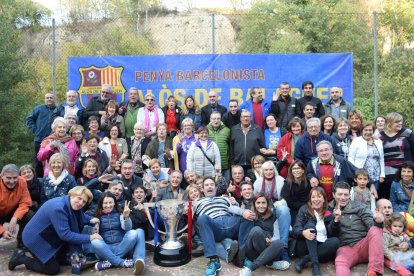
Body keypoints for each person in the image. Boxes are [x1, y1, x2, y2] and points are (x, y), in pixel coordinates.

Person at [11, 186, 99, 275]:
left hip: (46, 234)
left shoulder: (69, 204)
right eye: (79, 198)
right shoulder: (59, 208)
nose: (81, 203)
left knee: (63, 258)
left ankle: (57, 256)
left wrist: (91, 219)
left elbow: (80, 217)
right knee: (52, 269)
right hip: (34, 239)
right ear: (72, 195)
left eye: (84, 201)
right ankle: (20, 258)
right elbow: (65, 235)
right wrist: (91, 237)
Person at [194, 177, 254, 276]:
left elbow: (234, 209)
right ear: (202, 189)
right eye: (207, 185)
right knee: (202, 218)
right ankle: (214, 261)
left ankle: (242, 255)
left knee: (248, 215)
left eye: (212, 184)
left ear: (216, 187)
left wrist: (241, 209)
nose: (209, 187)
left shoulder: (224, 199)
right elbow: (190, 216)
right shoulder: (197, 202)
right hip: (214, 226)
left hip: (230, 222)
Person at [331, 181, 384, 276]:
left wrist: (378, 222)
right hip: (345, 247)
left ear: (349, 195)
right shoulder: (328, 209)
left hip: (363, 244)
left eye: (346, 194)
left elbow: (370, 223)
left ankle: (374, 272)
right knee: (340, 262)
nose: (343, 198)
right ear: (333, 195)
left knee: (375, 229)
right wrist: (336, 220)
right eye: (339, 194)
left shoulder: (359, 206)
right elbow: (330, 233)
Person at [91, 192, 145, 275]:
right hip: (105, 249)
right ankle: (120, 262)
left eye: (110, 202)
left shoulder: (120, 213)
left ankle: (110, 262)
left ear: (114, 203)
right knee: (95, 241)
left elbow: (127, 228)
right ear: (101, 204)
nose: (108, 205)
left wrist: (126, 217)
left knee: (133, 233)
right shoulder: (96, 216)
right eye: (105, 203)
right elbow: (92, 233)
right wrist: (94, 227)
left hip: (121, 246)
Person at [293, 187, 340, 276]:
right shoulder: (304, 210)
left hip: (322, 249)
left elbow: (331, 233)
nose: (316, 199)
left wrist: (336, 221)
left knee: (336, 241)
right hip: (305, 246)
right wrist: (303, 233)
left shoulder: (329, 212)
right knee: (310, 226)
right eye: (313, 197)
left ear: (324, 199)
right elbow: (296, 229)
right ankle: (315, 266)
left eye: (319, 196)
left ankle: (304, 260)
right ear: (310, 199)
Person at [252, 161, 291, 262]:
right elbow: (255, 199)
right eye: (266, 170)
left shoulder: (281, 180)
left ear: (274, 170)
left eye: (271, 169)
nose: (268, 172)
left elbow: (285, 198)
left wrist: (276, 205)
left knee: (284, 210)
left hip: (277, 205)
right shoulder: (257, 183)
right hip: (263, 207)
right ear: (262, 171)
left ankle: (284, 248)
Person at [239, 194, 286, 276]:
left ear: (267, 204)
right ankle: (270, 263)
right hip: (253, 250)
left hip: (268, 248)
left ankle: (252, 267)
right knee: (256, 230)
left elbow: (277, 235)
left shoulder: (273, 216)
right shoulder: (249, 214)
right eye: (258, 203)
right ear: (254, 204)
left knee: (280, 243)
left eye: (263, 203)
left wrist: (271, 240)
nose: (261, 206)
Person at [379, 112, 414, 199]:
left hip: (405, 175)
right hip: (386, 177)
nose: (400, 123)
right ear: (389, 123)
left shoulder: (407, 134)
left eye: (401, 121)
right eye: (397, 121)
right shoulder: (379, 136)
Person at [1, 164, 33, 250]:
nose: (12, 181)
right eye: (8, 178)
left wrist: (15, 218)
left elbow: (25, 202)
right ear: (2, 176)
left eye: (15, 178)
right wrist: (2, 231)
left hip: (12, 211)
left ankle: (22, 242)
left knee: (30, 215)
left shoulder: (22, 181)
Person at [26, 92, 57, 177]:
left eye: (51, 98)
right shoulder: (39, 108)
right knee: (38, 160)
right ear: (45, 99)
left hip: (52, 139)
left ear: (54, 99)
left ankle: (50, 177)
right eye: (47, 98)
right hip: (39, 139)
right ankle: (39, 179)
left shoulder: (57, 110)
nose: (49, 99)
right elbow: (29, 119)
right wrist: (35, 130)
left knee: (52, 159)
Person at [348, 121, 385, 191]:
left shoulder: (378, 141)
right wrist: (355, 172)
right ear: (362, 130)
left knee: (373, 198)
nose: (368, 132)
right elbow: (351, 157)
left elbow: (381, 159)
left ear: (373, 131)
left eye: (370, 130)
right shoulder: (356, 141)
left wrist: (382, 175)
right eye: (366, 130)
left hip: (375, 177)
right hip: (361, 177)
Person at [281, 160, 311, 225]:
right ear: (291, 171)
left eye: (298, 168)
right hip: (291, 209)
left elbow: (307, 199)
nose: (296, 170)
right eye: (294, 168)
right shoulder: (287, 183)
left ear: (303, 170)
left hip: (305, 208)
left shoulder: (308, 183)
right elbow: (287, 200)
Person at [207, 111, 231, 180]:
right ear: (210, 119)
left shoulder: (227, 130)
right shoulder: (205, 131)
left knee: (225, 187)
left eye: (218, 118)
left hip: (224, 166)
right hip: (210, 166)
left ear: (221, 120)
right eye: (214, 119)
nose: (216, 121)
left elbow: (230, 147)